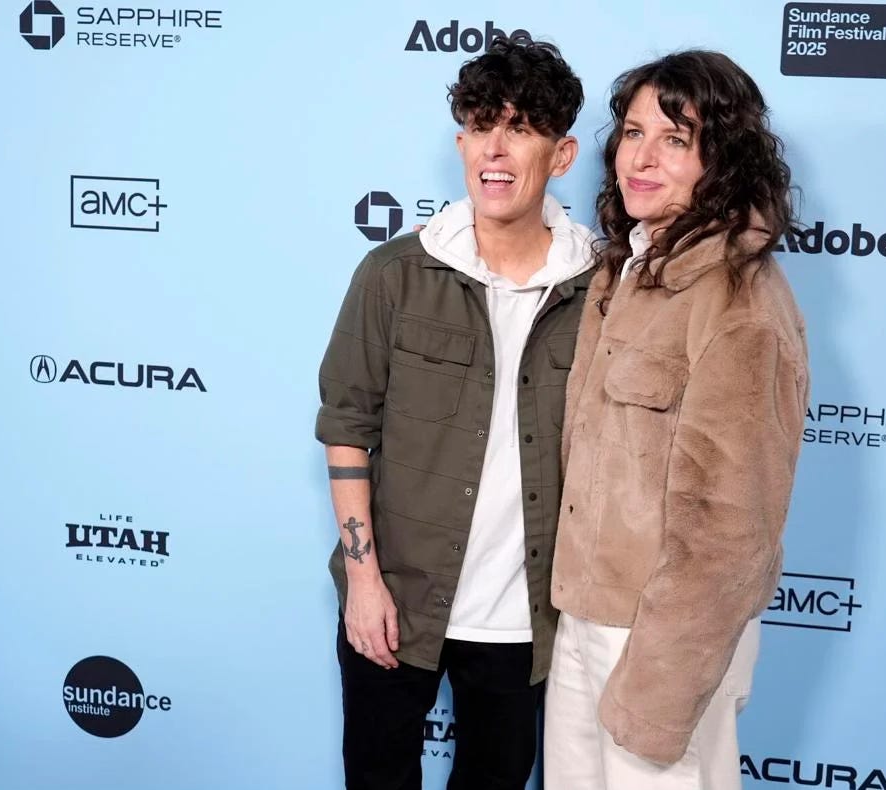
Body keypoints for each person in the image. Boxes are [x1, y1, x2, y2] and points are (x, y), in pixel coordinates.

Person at [315, 38, 594, 790]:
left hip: (524, 623)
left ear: (561, 153)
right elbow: (346, 426)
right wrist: (363, 581)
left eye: (521, 127)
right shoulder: (394, 273)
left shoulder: (600, 290)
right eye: (480, 125)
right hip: (397, 602)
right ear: (461, 141)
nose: (495, 150)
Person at [545, 50, 810, 790]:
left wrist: (661, 688)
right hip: (587, 617)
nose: (642, 157)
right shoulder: (624, 270)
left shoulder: (740, 303)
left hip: (664, 644)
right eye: (632, 133)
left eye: (674, 138)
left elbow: (730, 532)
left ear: (719, 157)